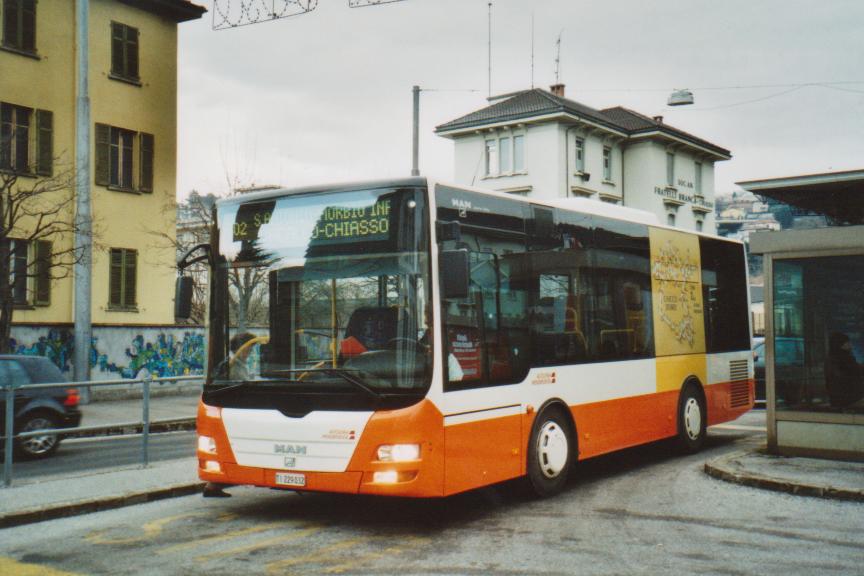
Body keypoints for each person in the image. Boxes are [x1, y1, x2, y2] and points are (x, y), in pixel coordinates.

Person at [824, 332, 864, 408]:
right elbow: (854, 372)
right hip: (851, 398)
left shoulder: (831, 358)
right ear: (841, 344)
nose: (850, 345)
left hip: (837, 398)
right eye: (848, 342)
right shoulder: (845, 358)